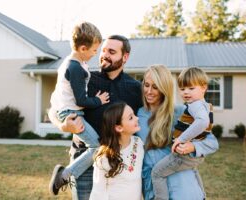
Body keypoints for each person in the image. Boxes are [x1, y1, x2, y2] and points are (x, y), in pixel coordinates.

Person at [48, 35, 142, 200]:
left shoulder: (135, 89)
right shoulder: (85, 79)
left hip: (120, 163)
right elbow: (54, 109)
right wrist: (63, 126)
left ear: (125, 57)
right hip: (85, 160)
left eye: (111, 52)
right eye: (103, 50)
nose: (105, 55)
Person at [136, 65, 219, 200]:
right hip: (154, 191)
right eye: (146, 85)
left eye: (155, 87)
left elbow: (211, 142)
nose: (149, 91)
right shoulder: (138, 115)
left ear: (164, 88)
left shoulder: (181, 112)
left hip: (183, 189)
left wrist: (192, 147)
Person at [48, 21, 110, 196]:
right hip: (72, 114)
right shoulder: (74, 68)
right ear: (83, 48)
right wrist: (98, 100)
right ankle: (64, 174)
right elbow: (81, 100)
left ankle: (66, 173)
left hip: (70, 112)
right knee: (97, 147)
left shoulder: (72, 63)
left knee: (95, 146)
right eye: (94, 50)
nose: (95, 54)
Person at [89, 102, 144, 200]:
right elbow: (98, 191)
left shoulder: (138, 143)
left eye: (134, 115)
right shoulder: (104, 157)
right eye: (131, 118)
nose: (137, 118)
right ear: (119, 128)